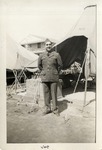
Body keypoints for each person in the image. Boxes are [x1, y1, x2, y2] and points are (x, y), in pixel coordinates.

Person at [38, 40, 63, 116]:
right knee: (46, 93)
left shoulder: (56, 55)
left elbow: (60, 65)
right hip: (45, 77)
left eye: (49, 44)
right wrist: (44, 71)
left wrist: (55, 72)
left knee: (54, 93)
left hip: (53, 76)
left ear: (52, 46)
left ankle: (55, 109)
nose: (48, 46)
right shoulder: (41, 55)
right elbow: (39, 66)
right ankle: (47, 108)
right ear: (45, 46)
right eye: (47, 44)